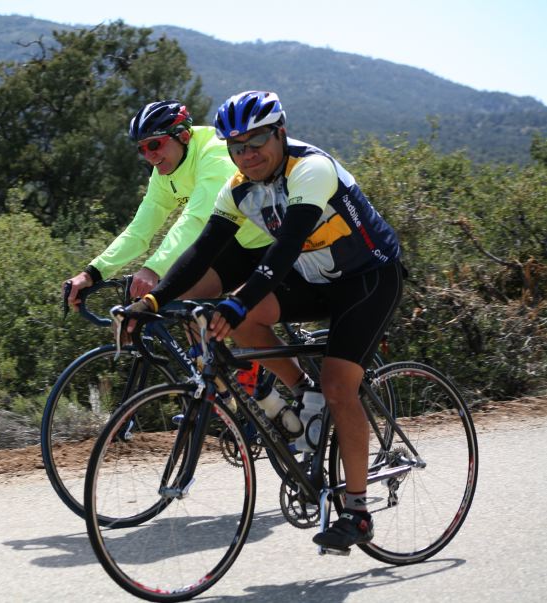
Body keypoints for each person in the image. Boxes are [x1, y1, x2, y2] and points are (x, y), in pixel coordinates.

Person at [136, 90, 404, 551]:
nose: (247, 154)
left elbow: (284, 249)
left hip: (369, 277)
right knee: (236, 321)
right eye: (236, 146)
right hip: (317, 277)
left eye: (257, 140)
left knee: (341, 386)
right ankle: (304, 390)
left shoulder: (311, 170)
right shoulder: (238, 186)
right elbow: (202, 250)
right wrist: (154, 301)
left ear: (280, 132)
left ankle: (357, 512)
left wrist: (238, 299)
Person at [64, 100, 273, 305]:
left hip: (274, 241)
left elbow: (196, 220)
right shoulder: (163, 171)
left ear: (182, 135)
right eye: (141, 149)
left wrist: (154, 269)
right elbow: (139, 231)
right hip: (237, 243)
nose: (149, 156)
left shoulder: (216, 155)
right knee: (184, 302)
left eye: (154, 144)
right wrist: (92, 273)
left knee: (242, 315)